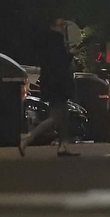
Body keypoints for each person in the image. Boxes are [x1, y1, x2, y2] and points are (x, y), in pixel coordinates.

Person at [20, 20, 78, 157]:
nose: (63, 28)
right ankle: (29, 137)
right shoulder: (56, 41)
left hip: (53, 84)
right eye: (60, 25)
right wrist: (70, 54)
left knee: (64, 115)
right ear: (53, 27)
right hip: (57, 85)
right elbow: (59, 64)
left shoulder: (48, 42)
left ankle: (63, 145)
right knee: (57, 117)